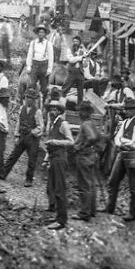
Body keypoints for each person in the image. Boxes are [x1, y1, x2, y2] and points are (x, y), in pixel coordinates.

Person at [106, 98, 135, 222]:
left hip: (133, 157)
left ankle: (134, 213)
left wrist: (123, 141)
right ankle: (110, 207)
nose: (127, 111)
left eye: (130, 109)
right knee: (112, 180)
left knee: (133, 186)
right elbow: (117, 138)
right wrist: (122, 142)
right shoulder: (125, 122)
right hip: (122, 154)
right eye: (126, 109)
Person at [2, 88, 43, 188]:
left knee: (32, 160)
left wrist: (33, 132)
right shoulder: (22, 108)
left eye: (31, 98)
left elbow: (41, 127)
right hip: (22, 136)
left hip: (32, 139)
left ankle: (29, 180)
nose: (29, 100)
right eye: (27, 97)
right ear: (25, 98)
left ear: (34, 100)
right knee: (13, 156)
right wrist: (16, 135)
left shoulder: (37, 112)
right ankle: (2, 174)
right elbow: (18, 123)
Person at [44, 97, 75, 230]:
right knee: (51, 187)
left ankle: (61, 220)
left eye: (55, 109)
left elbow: (70, 141)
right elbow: (49, 143)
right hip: (52, 158)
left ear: (60, 111)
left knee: (59, 189)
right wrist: (46, 159)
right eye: (51, 109)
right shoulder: (52, 124)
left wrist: (55, 142)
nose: (52, 111)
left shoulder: (63, 124)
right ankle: (57, 215)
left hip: (60, 158)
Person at [73, 101, 101, 221]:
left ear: (85, 112)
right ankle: (92, 210)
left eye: (81, 111)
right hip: (91, 156)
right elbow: (98, 137)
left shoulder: (85, 125)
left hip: (84, 157)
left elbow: (93, 138)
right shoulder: (91, 123)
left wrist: (82, 146)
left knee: (84, 185)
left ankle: (84, 213)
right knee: (91, 184)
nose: (79, 113)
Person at [25, 24, 54, 99]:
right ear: (37, 33)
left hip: (44, 65)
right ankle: (31, 101)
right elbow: (30, 55)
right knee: (32, 84)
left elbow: (51, 57)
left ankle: (42, 101)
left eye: (42, 32)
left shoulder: (48, 44)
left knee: (44, 86)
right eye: (39, 32)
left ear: (45, 34)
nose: (41, 34)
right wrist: (28, 66)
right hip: (35, 65)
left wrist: (49, 69)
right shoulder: (33, 42)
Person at [62, 35, 86, 104]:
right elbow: (71, 60)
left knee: (80, 91)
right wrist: (81, 57)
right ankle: (60, 102)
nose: (75, 43)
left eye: (77, 41)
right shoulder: (69, 50)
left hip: (80, 72)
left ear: (79, 43)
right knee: (65, 88)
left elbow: (85, 64)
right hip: (72, 72)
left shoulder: (83, 51)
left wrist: (86, 58)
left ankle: (79, 105)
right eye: (74, 41)